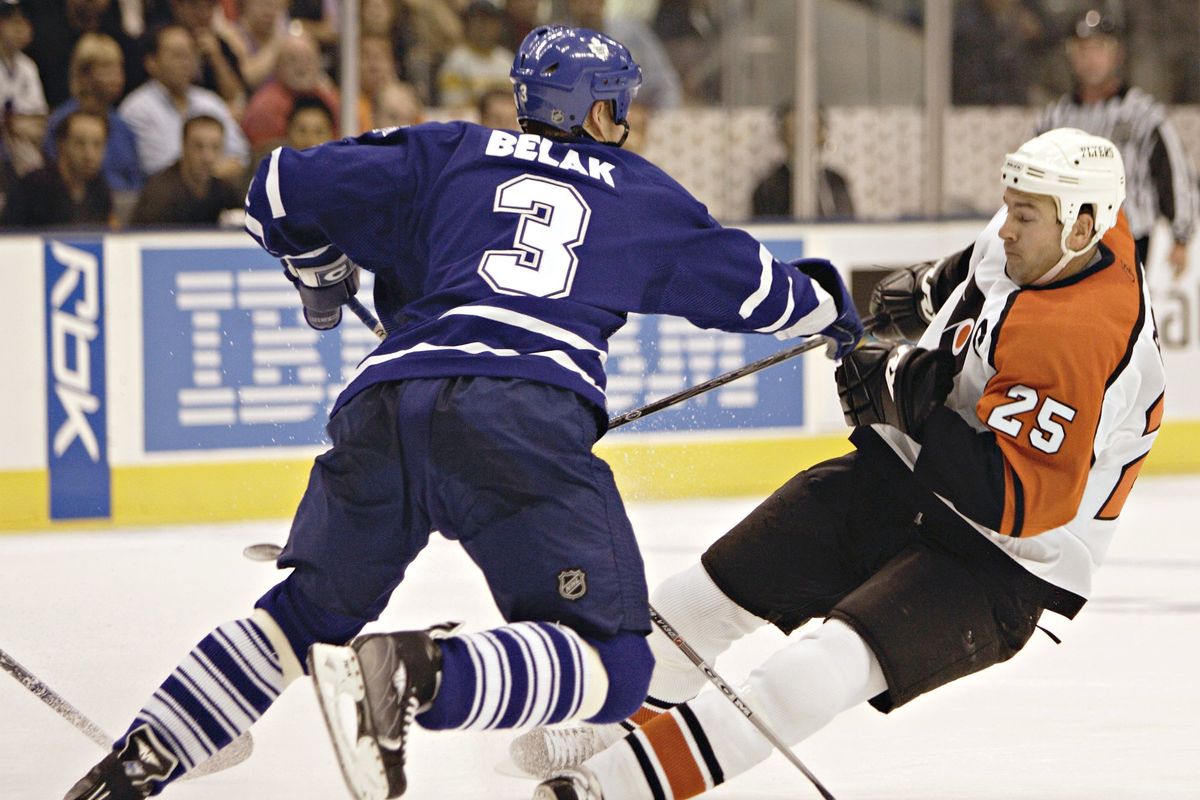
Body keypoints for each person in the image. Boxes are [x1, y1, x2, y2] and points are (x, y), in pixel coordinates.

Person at [63, 25, 862, 800]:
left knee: (304, 611)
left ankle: (143, 757)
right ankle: (420, 676)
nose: (627, 119)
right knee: (619, 670)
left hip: (382, 408)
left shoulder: (445, 150)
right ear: (593, 111)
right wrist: (836, 310)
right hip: (521, 420)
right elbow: (764, 292)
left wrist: (319, 272)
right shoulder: (641, 193)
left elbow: (274, 188)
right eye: (619, 104)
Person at [516, 128, 1166, 800]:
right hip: (901, 480)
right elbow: (971, 273)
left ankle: (612, 787)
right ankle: (614, 725)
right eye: (1009, 206)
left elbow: (1013, 502)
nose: (1007, 227)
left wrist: (904, 396)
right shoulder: (1041, 236)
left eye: (1024, 216)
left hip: (999, 560)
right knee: (694, 601)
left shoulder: (1080, 335)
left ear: (1086, 224)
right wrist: (922, 291)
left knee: (812, 671)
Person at [1036, 10, 1197, 278]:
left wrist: (1181, 235)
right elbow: (1033, 177)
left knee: (1119, 310)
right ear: (1071, 55)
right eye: (1082, 50)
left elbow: (1173, 170)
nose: (1091, 59)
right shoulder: (1054, 117)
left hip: (1130, 233)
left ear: (1116, 54)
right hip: (1065, 236)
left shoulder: (1142, 114)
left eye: (1099, 49)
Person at [118, 23, 249, 180]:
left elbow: (241, 156)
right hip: (166, 199)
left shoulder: (210, 101)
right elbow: (161, 168)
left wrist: (210, 173)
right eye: (177, 55)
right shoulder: (137, 109)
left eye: (190, 55)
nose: (186, 63)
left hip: (218, 194)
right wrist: (215, 171)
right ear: (151, 63)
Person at [44, 33, 144, 197]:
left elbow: (135, 178)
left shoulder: (122, 126)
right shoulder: (62, 122)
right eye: (106, 68)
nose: (116, 76)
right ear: (83, 75)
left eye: (119, 67)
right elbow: (56, 175)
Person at [1, 109, 111, 227]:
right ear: (61, 144)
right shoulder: (33, 186)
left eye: (98, 145)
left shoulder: (99, 187)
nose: (89, 155)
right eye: (79, 143)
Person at [129, 113, 241, 224]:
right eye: (198, 146)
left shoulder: (224, 191)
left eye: (215, 147)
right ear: (184, 146)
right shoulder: (160, 193)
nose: (207, 157)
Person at [240, 28, 338, 151]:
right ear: (277, 65)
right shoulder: (264, 106)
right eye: (293, 59)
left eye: (308, 60)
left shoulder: (330, 100)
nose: (301, 67)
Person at [751, 107, 854, 220]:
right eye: (794, 132)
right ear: (783, 136)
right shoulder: (769, 187)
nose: (803, 139)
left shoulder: (835, 181)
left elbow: (848, 225)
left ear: (822, 135)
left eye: (812, 130)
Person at [436, 0, 513, 109]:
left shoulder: (508, 61)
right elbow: (453, 107)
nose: (484, 27)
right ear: (467, 24)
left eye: (490, 21)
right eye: (479, 21)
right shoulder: (455, 62)